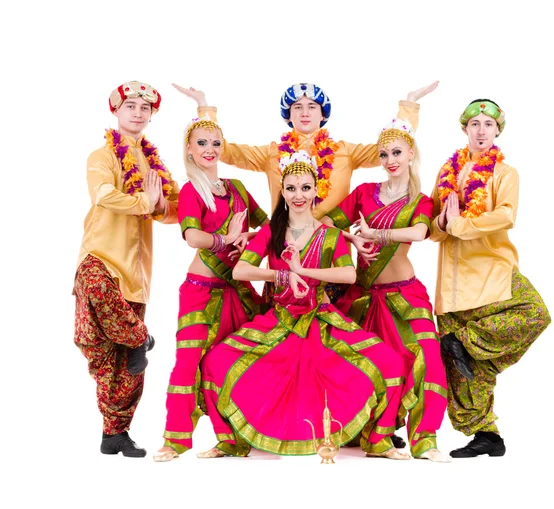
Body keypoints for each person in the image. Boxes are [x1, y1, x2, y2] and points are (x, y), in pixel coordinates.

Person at [197, 151, 409, 460]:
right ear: (282, 191)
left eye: (306, 188)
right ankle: (230, 441)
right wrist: (282, 275)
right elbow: (241, 270)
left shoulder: (331, 234)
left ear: (316, 191)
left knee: (388, 363)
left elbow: (349, 274)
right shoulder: (271, 232)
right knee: (216, 362)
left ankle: (379, 440)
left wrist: (303, 270)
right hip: (280, 319)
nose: (299, 195)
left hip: (322, 319)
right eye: (292, 188)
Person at [172, 82, 437, 309]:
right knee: (280, 333)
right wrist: (204, 108)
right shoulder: (272, 153)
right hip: (285, 250)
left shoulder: (346, 151)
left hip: (333, 252)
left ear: (324, 113)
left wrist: (409, 106)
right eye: (297, 106)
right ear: (288, 114)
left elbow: (393, 144)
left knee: (332, 337)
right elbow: (222, 149)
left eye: (312, 106)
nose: (305, 112)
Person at [430, 99, 551, 458]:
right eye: (474, 124)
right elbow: (435, 230)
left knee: (534, 313)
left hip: (491, 268)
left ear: (498, 130)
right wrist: (441, 223)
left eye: (488, 124)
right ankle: (488, 436)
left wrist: (461, 225)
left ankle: (462, 340)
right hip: (451, 277)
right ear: (464, 129)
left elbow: (505, 216)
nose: (481, 130)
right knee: (464, 368)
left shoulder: (505, 173)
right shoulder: (446, 170)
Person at [324, 118, 450, 462]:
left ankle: (426, 440)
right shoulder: (364, 193)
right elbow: (323, 224)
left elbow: (419, 233)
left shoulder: (421, 200)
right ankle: (375, 433)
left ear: (411, 153)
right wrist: (351, 237)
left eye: (396, 152)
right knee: (374, 365)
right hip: (364, 296)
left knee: (427, 356)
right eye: (383, 154)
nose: (390, 159)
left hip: (406, 294)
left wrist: (375, 234)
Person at [73, 81, 179, 457]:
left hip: (137, 275)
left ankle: (114, 434)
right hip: (100, 257)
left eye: (144, 108)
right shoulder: (102, 156)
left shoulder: (154, 162)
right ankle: (142, 337)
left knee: (126, 367)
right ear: (116, 111)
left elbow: (175, 209)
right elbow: (102, 194)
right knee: (102, 348)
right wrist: (143, 201)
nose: (137, 112)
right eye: (130, 106)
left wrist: (159, 205)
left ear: (151, 115)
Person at [153, 117, 268, 462]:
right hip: (201, 290)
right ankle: (174, 440)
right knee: (187, 363)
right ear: (189, 148)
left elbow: (268, 224)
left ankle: (233, 439)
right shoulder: (191, 191)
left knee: (234, 362)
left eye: (215, 143)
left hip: (238, 289)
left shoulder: (237, 187)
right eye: (202, 143)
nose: (209, 150)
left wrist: (247, 239)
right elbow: (193, 238)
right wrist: (227, 239)